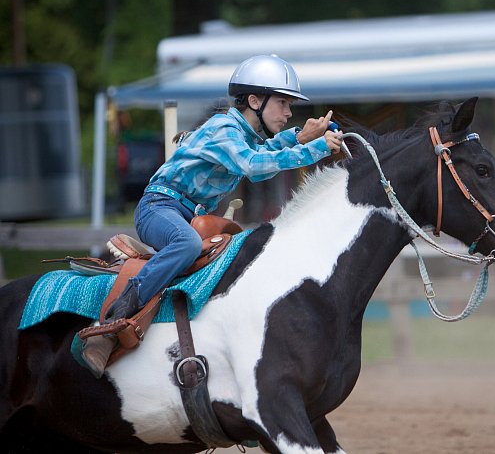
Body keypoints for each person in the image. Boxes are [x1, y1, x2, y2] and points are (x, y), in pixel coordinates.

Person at [82, 54, 342, 376]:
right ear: (254, 100)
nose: (289, 112)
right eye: (283, 103)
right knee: (188, 245)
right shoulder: (224, 129)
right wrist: (314, 149)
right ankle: (119, 311)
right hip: (159, 208)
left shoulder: (243, 134)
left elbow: (259, 160)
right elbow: (253, 165)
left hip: (187, 214)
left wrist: (300, 136)